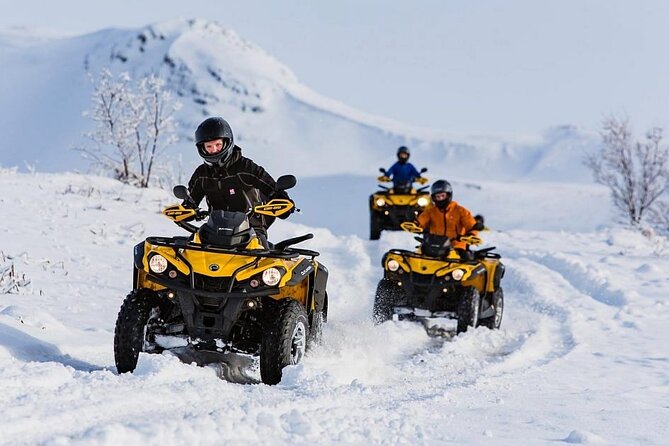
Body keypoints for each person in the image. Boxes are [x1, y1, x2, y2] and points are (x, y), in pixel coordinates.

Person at [187, 117, 291, 245]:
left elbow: (271, 187)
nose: (214, 150)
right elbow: (190, 202)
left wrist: (282, 199)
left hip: (251, 229)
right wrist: (187, 210)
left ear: (227, 142)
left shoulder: (245, 167)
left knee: (262, 256)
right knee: (189, 249)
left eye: (218, 145)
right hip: (215, 230)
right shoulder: (201, 174)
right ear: (202, 148)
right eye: (209, 146)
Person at [416, 180, 478, 257]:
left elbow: (471, 225)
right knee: (417, 257)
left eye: (443, 196)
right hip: (433, 246)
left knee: (465, 261)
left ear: (448, 195)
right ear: (433, 198)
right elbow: (421, 221)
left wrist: (471, 234)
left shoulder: (460, 211)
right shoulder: (430, 212)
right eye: (438, 197)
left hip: (456, 246)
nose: (440, 199)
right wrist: (415, 223)